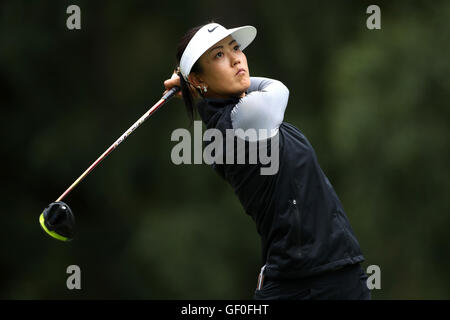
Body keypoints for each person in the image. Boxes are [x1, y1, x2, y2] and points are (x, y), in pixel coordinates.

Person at [163, 21, 371, 300]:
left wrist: (195, 88)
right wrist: (193, 87)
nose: (236, 58)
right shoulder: (241, 120)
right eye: (219, 55)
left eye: (235, 48)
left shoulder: (236, 117)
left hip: (328, 273)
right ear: (199, 79)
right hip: (307, 283)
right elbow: (278, 88)